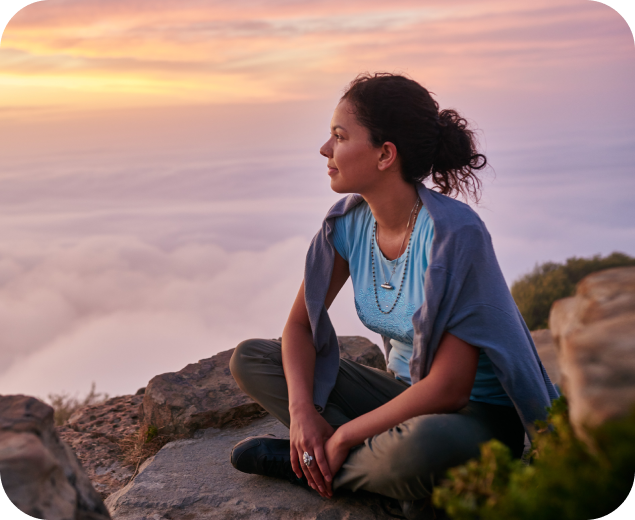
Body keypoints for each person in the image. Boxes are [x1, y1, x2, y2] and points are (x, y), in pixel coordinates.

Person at [228, 72, 559, 518]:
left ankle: (315, 465)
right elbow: (299, 326)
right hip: (398, 396)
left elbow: (448, 388)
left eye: (339, 137)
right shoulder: (347, 224)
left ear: (385, 154)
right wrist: (302, 412)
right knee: (252, 358)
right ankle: (381, 473)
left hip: (469, 418)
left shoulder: (452, 235)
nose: (325, 150)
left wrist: (344, 436)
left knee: (420, 449)